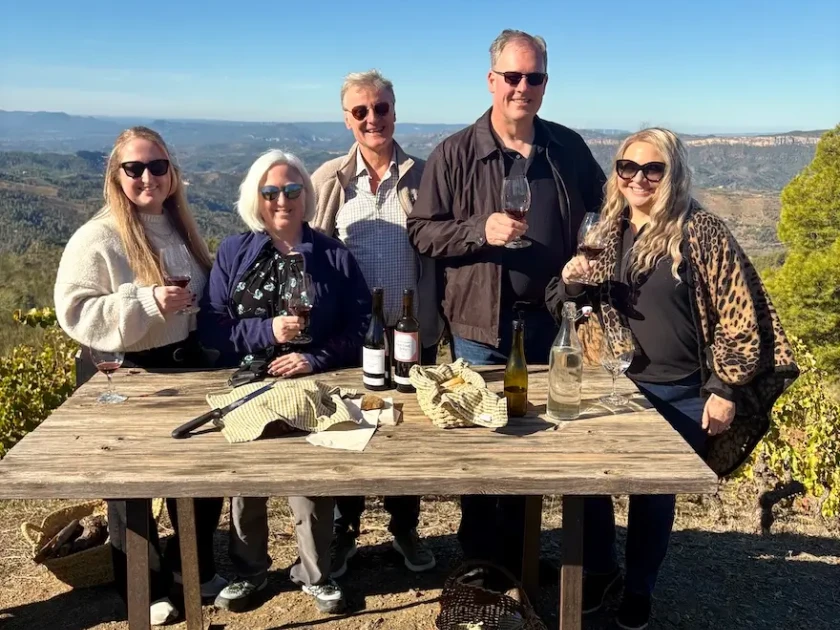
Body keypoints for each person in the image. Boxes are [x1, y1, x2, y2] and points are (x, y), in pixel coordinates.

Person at [546, 127, 799, 630]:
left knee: (654, 495)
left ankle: (638, 590)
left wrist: (725, 389)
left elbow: (741, 319)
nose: (639, 178)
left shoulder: (701, 231)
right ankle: (599, 572)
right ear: (616, 174)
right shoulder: (605, 233)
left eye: (653, 168)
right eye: (628, 168)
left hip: (682, 390)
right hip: (614, 382)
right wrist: (571, 281)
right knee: (589, 487)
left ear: (673, 173)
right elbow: (561, 303)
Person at [407, 29, 606, 578]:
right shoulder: (454, 153)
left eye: (534, 77)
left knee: (538, 441)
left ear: (545, 83)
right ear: (491, 80)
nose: (523, 87)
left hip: (552, 322)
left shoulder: (567, 148)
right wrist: (479, 229)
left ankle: (521, 553)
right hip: (479, 327)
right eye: (512, 77)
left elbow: (604, 214)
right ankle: (480, 560)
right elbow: (422, 233)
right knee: (482, 443)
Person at [54, 126, 226, 626]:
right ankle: (140, 585)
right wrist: (146, 301)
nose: (147, 176)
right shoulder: (97, 237)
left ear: (172, 174)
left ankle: (190, 570)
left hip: (186, 364)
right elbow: (75, 311)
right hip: (125, 373)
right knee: (130, 490)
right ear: (117, 176)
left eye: (157, 166)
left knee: (197, 479)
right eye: (134, 168)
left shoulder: (181, 228)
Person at [198, 149, 372, 615]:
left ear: (306, 196)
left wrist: (313, 358)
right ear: (255, 198)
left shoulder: (333, 256)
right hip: (248, 381)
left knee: (311, 478)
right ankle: (249, 570)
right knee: (246, 481)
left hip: (310, 383)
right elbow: (212, 327)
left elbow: (360, 327)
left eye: (292, 190)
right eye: (270, 191)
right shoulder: (234, 252)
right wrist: (267, 331)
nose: (282, 200)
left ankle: (316, 573)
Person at [311, 69, 439, 579]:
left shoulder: (427, 176)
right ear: (346, 119)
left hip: (413, 330)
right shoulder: (329, 181)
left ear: (394, 110)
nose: (371, 119)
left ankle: (405, 526)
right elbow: (311, 254)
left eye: (380, 108)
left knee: (407, 436)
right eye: (360, 112)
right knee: (351, 432)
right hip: (352, 335)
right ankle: (346, 531)